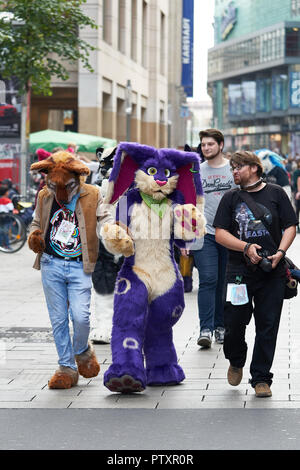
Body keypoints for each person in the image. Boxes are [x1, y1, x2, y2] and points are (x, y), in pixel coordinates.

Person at [213, 150, 297, 398]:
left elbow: (290, 226)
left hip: (271, 270)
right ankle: (236, 360)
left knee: (268, 325)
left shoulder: (276, 193)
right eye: (232, 168)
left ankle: (261, 377)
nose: (234, 171)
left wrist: (281, 252)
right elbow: (220, 233)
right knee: (234, 323)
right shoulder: (230, 197)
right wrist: (246, 247)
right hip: (238, 272)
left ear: (254, 168)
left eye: (238, 167)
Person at [28, 150, 113, 389]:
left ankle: (82, 350)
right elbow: (36, 221)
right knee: (58, 320)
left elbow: (105, 218)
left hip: (80, 265)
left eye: (66, 186)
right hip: (50, 263)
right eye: (55, 187)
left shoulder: (93, 194)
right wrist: (33, 235)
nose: (61, 193)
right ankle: (66, 366)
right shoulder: (45, 195)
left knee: (81, 317)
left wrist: (111, 232)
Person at [183, 128, 237, 348]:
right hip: (203, 234)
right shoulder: (195, 171)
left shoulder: (233, 170)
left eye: (210, 144)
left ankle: (220, 326)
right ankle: (205, 328)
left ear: (220, 145)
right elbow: (188, 204)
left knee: (224, 281)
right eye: (203, 144)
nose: (206, 148)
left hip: (230, 234)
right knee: (207, 279)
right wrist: (184, 239)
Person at [0, 185, 14, 250]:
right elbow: (11, 209)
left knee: (1, 232)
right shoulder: (8, 200)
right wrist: (13, 220)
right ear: (6, 193)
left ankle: (1, 245)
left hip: (1, 218)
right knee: (6, 232)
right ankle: (7, 245)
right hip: (7, 218)